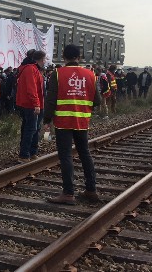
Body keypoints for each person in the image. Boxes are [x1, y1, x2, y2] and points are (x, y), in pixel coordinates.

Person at [44, 44, 100, 205]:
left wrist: (47, 120)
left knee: (66, 155)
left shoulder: (57, 74)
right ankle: (91, 190)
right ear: (79, 57)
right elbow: (97, 100)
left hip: (63, 122)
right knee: (85, 153)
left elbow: (51, 99)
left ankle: (68, 193)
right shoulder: (90, 74)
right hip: (82, 121)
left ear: (64, 56)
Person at [16, 50, 46, 161]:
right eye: (44, 59)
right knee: (30, 129)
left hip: (35, 104)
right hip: (30, 105)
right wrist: (36, 104)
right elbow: (31, 89)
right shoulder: (30, 69)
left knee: (34, 128)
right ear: (39, 59)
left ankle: (32, 152)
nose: (45, 61)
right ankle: (24, 154)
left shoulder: (35, 69)